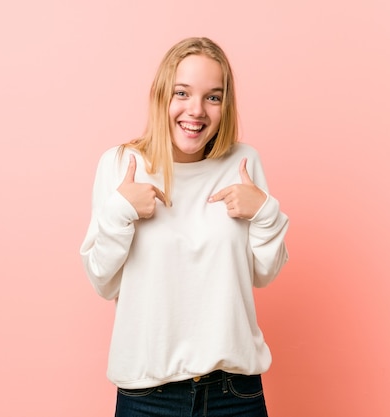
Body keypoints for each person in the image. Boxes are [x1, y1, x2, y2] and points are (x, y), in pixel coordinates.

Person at [80, 37, 289, 417]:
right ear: (161, 95)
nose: (196, 111)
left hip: (234, 394)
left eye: (213, 97)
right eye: (182, 93)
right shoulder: (120, 163)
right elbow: (102, 280)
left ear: (226, 105)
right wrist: (120, 211)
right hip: (148, 396)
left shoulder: (243, 162)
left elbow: (262, 273)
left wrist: (265, 213)